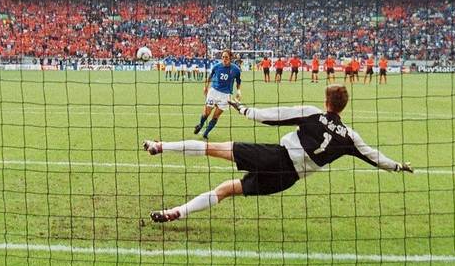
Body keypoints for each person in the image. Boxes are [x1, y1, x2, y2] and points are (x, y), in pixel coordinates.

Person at [144, 84, 413, 223]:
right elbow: (374, 156)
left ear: (327, 102)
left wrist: (245, 110)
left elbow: (275, 116)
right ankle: (176, 212)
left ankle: (160, 146)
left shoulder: (312, 113)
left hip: (277, 156)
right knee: (226, 190)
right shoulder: (350, 137)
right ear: (343, 107)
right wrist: (398, 166)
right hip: (287, 179)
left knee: (213, 148)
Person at [192, 49, 242, 139]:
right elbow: (210, 77)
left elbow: (238, 81)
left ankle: (206, 133)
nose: (224, 59)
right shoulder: (216, 66)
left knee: (216, 116)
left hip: (225, 96)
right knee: (206, 113)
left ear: (230, 58)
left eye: (226, 57)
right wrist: (206, 87)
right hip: (213, 92)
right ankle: (200, 125)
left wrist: (238, 91)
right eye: (223, 57)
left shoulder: (236, 69)